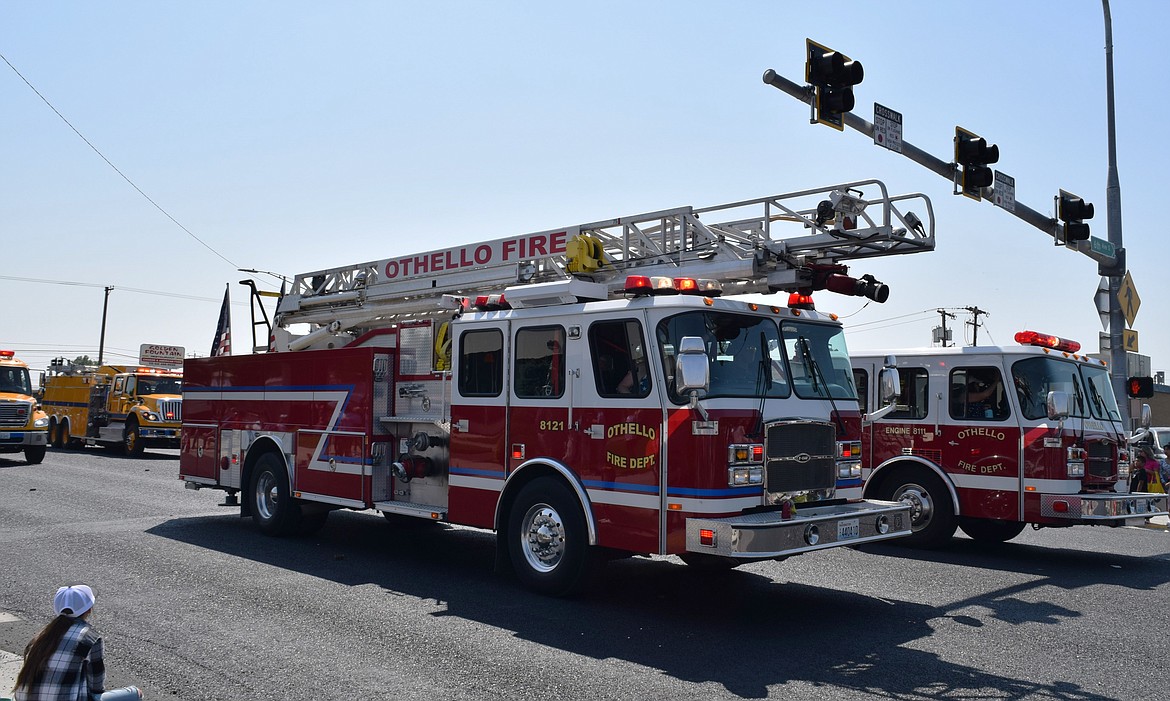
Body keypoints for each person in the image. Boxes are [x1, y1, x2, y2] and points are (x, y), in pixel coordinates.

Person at [12, 585, 142, 701]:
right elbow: (96, 687)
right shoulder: (88, 637)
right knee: (135, 694)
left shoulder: (39, 639)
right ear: (89, 609)